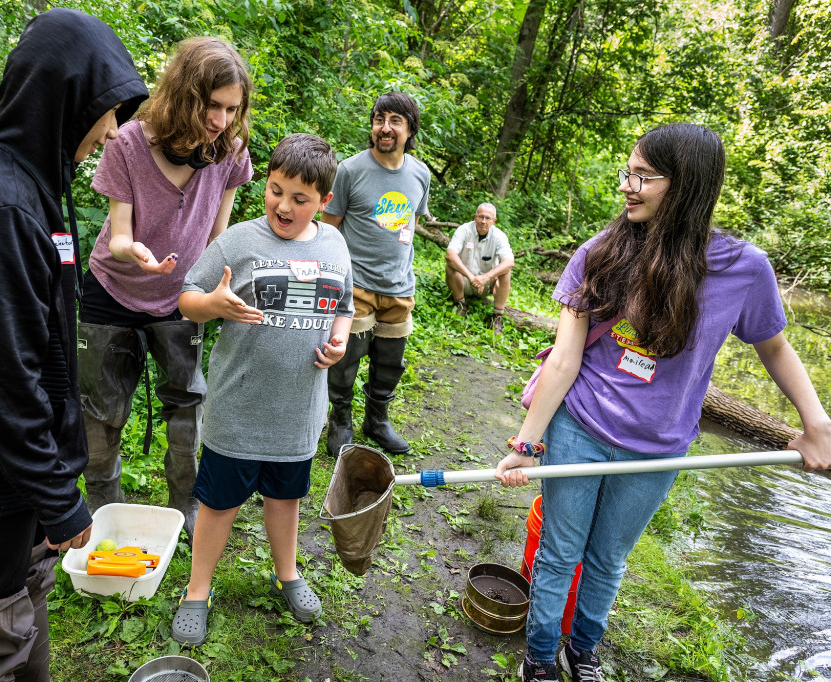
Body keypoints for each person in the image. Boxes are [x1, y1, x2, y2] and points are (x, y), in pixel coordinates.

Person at [494, 123, 831, 682]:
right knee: (560, 551)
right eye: (628, 173)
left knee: (606, 560)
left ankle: (584, 651)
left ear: (688, 187)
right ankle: (539, 655)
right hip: (581, 427)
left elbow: (773, 345)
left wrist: (815, 421)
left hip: (660, 449)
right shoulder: (601, 253)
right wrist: (528, 444)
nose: (629, 187)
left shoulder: (743, 270)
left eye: (643, 177)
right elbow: (563, 360)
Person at [0, 9, 148, 681]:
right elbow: (0, 375)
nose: (108, 134)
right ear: (62, 99)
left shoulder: (27, 185)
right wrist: (59, 495)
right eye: (103, 115)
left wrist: (49, 483)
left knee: (22, 607)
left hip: (16, 472)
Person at [169, 133, 353, 645]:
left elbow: (344, 308)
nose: (284, 205)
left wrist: (338, 342)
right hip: (238, 407)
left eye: (300, 198)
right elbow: (187, 295)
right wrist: (215, 306)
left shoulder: (335, 244)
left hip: (299, 410)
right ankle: (197, 589)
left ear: (324, 202)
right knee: (218, 504)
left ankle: (287, 573)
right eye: (275, 190)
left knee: (285, 497)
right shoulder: (240, 241)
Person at [77, 36, 253, 540]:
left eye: (230, 109)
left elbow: (219, 237)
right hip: (112, 289)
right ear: (182, 94)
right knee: (101, 408)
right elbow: (120, 235)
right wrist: (135, 252)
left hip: (184, 295)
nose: (220, 121)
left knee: (186, 401)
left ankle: (184, 502)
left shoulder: (229, 153)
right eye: (211, 106)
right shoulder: (128, 142)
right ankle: (101, 505)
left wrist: (223, 285)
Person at [321, 92, 432, 456]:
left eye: (395, 121)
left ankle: (377, 420)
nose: (385, 128)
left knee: (390, 362)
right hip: (356, 286)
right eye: (379, 119)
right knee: (346, 359)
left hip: (399, 287)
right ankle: (340, 421)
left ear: (409, 129)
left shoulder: (420, 174)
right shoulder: (350, 171)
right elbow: (329, 230)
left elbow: (410, 226)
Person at [445, 202, 514, 333]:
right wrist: (471, 277)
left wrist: (486, 277)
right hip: (464, 281)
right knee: (450, 266)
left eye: (487, 218)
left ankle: (497, 316)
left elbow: (509, 261)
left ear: (494, 221)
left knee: (506, 272)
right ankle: (460, 304)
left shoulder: (499, 236)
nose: (483, 221)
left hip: (487, 285)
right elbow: (450, 254)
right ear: (474, 217)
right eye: (480, 217)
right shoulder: (463, 230)